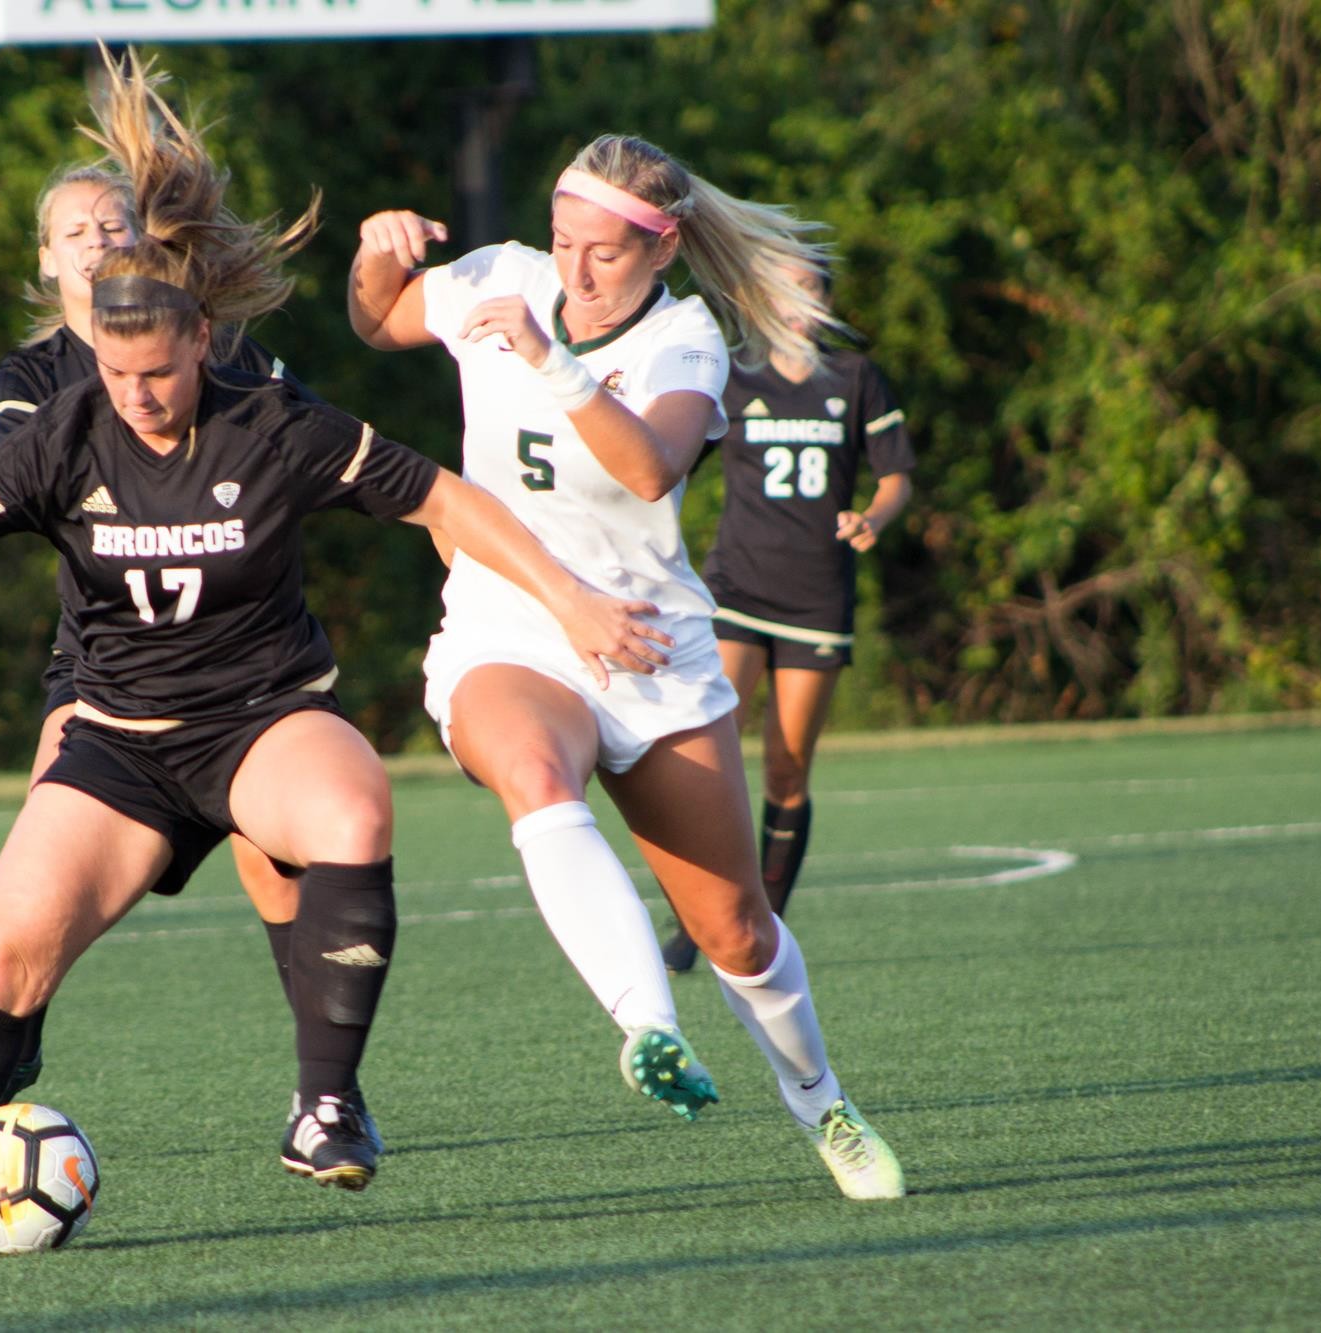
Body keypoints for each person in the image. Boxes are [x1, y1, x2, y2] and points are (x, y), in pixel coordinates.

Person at [0, 56, 671, 1255]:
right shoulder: (58, 432)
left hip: (255, 722)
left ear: (203, 340)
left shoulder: (274, 421)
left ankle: (326, 1109)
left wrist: (567, 599)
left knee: (352, 802)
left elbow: (446, 501)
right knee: (3, 957)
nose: (137, 396)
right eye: (115, 372)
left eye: (158, 371)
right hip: (118, 742)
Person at [348, 134, 905, 1200]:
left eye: (600, 252)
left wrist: (550, 360)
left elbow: (649, 467)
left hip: (646, 648)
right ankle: (646, 1025)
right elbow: (375, 318)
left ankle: (822, 1103)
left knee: (736, 928)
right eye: (562, 240)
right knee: (534, 777)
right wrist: (377, 254)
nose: (571, 269)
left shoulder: (685, 338)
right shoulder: (504, 277)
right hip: (508, 628)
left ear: (659, 252)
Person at [0, 147, 320, 1100]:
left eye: (113, 225)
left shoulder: (221, 348)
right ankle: (13, 1034)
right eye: (74, 233)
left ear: (148, 240)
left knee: (275, 863)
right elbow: (25, 481)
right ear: (47, 261)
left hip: (242, 661)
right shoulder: (33, 373)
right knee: (49, 823)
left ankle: (326, 1088)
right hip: (107, 663)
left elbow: (312, 441)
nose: (96, 244)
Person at [658, 265, 916, 973]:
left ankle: (762, 925)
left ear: (828, 300)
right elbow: (668, 462)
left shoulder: (856, 378)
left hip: (815, 597)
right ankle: (696, 918)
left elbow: (897, 477)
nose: (798, 304)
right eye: (785, 290)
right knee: (702, 749)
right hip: (737, 588)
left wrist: (872, 516)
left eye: (812, 290)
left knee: (785, 765)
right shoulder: (733, 380)